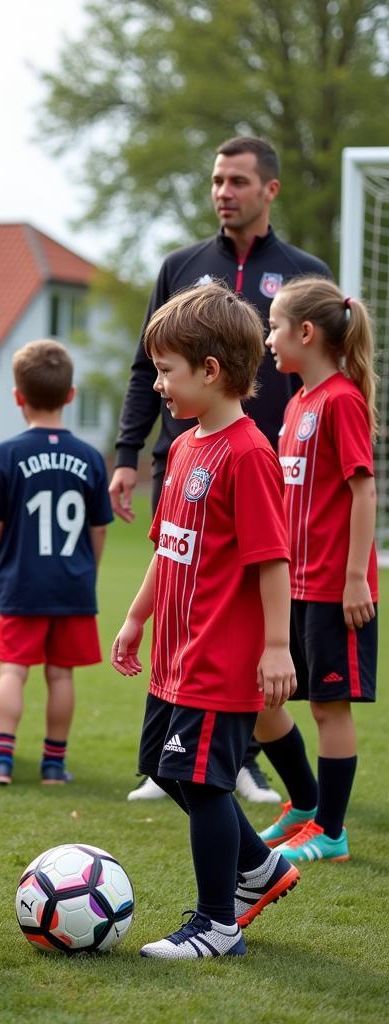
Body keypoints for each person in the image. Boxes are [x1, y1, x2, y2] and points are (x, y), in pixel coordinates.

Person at [112, 136, 331, 803]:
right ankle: (186, 757)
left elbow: (319, 379)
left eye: (237, 180)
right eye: (216, 180)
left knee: (244, 639)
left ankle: (248, 770)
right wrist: (127, 456)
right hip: (185, 466)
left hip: (257, 480)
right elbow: (146, 368)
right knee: (186, 604)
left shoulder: (301, 272)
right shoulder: (182, 264)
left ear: (270, 190)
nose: (223, 192)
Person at [111, 282, 300, 959]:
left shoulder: (249, 454)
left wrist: (277, 647)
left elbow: (272, 560)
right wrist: (136, 620)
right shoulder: (187, 447)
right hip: (174, 655)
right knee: (167, 771)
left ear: (211, 370)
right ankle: (261, 867)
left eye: (166, 370)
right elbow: (170, 549)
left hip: (219, 659)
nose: (158, 384)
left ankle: (219, 923)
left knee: (202, 779)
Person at [252, 278, 379, 863]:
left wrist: (356, 577)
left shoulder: (342, 399)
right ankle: (304, 803)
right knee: (262, 695)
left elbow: (363, 489)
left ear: (306, 333)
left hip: (334, 586)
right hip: (293, 583)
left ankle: (331, 833)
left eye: (275, 326)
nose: (268, 338)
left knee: (330, 707)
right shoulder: (299, 402)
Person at [0, 340, 112, 786]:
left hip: (21, 582)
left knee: (12, 669)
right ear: (70, 395)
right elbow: (99, 529)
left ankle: (1, 762)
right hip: (72, 584)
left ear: (18, 396)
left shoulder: (6, 454)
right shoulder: (90, 458)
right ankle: (53, 765)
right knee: (60, 673)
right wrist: (90, 570)